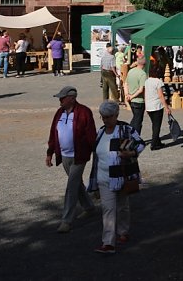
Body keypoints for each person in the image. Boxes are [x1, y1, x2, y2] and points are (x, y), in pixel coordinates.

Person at [87, 100, 145, 254]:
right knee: (108, 209)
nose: (105, 120)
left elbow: (140, 143)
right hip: (103, 177)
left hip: (121, 176)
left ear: (116, 115)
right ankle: (108, 243)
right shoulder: (100, 132)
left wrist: (131, 153)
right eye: (103, 117)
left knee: (123, 206)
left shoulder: (125, 129)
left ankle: (123, 231)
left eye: (108, 116)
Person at [45, 86, 97, 233]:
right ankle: (89, 207)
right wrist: (50, 153)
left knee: (71, 185)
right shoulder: (59, 113)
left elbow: (90, 133)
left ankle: (66, 220)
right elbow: (53, 133)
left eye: (63, 98)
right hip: (64, 155)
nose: (60, 100)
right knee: (76, 184)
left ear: (72, 98)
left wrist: (96, 151)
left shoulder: (84, 112)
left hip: (79, 155)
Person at [144, 63, 172, 150]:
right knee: (157, 126)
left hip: (149, 105)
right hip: (157, 106)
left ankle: (157, 141)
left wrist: (146, 106)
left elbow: (145, 94)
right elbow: (161, 96)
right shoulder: (158, 82)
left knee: (154, 124)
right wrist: (166, 107)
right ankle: (153, 144)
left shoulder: (147, 81)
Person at [124, 57, 147, 134]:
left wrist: (127, 94)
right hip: (139, 101)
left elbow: (125, 83)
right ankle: (134, 137)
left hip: (131, 100)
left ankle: (130, 135)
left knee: (135, 118)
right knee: (138, 121)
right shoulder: (143, 74)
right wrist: (132, 96)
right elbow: (141, 90)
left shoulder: (131, 71)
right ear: (145, 64)